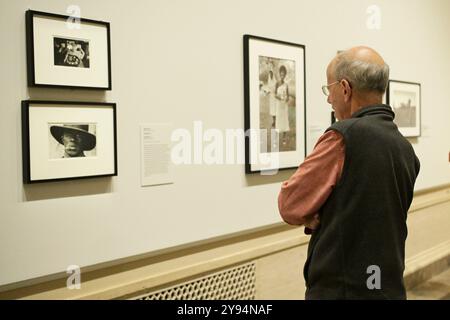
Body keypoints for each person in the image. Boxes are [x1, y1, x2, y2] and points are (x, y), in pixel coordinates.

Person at [278, 46, 420, 299]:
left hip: (342, 289)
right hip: (385, 285)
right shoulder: (404, 147)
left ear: (345, 88)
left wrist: (315, 211)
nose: (328, 99)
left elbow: (290, 204)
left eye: (328, 89)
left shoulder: (342, 137)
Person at [275, 65, 290, 145]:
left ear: (285, 75)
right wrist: (280, 97)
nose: (282, 76)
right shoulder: (277, 83)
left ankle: (284, 138)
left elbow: (288, 95)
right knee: (278, 121)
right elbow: (275, 94)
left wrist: (286, 98)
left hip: (284, 105)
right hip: (279, 104)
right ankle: (276, 139)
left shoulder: (286, 85)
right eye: (281, 74)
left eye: (283, 74)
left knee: (284, 121)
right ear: (279, 74)